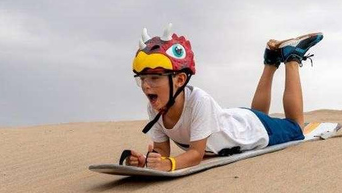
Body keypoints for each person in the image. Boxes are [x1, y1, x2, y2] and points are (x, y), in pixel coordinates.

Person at [125, 25, 323, 171]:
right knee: (258, 115)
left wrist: (168, 165)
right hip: (240, 120)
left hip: (254, 131)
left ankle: (291, 58)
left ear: (180, 80)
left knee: (296, 127)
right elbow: (161, 149)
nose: (146, 85)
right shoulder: (155, 108)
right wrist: (148, 160)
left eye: (154, 77)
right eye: (142, 78)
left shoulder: (198, 101)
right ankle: (271, 60)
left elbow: (196, 154)